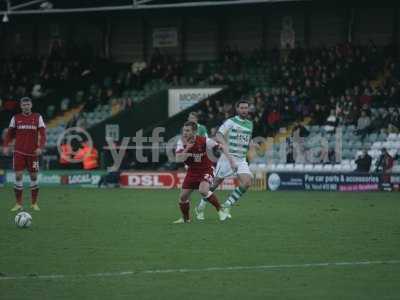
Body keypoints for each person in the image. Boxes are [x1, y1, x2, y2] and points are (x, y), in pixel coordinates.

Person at [195, 100, 253, 220]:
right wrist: (225, 144)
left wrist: (252, 144)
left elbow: (246, 139)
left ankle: (226, 205)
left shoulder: (250, 124)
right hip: (227, 158)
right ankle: (200, 206)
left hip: (241, 159)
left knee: (247, 182)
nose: (244, 110)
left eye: (246, 108)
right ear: (237, 109)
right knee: (215, 184)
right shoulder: (230, 121)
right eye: (241, 108)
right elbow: (219, 135)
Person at [173, 121, 233, 223]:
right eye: (184, 131)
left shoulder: (204, 141)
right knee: (183, 197)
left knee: (203, 190)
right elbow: (178, 159)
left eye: (188, 131)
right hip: (192, 171)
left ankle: (221, 210)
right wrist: (187, 148)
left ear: (195, 131)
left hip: (206, 169)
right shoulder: (181, 143)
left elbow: (220, 147)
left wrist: (230, 160)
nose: (185, 133)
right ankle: (186, 219)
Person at [2, 97, 46, 211]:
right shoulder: (16, 118)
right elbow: (9, 134)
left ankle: (34, 203)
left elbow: (43, 134)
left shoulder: (37, 117)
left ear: (31, 105)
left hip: (33, 153)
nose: (26, 106)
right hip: (19, 152)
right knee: (18, 176)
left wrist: (40, 147)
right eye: (24, 104)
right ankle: (18, 203)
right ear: (21, 106)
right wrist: (6, 145)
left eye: (28, 104)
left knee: (34, 176)